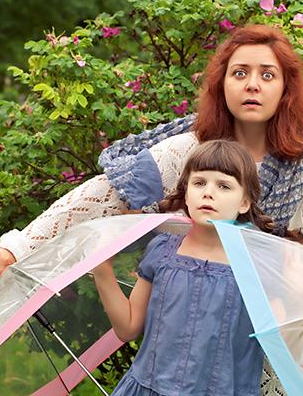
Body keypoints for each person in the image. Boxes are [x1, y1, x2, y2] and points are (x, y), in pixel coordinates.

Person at [0, 24, 303, 393]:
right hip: (182, 349)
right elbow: (98, 197)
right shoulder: (189, 151)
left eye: (268, 75)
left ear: (286, 89)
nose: (252, 85)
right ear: (222, 84)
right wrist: (21, 246)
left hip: (273, 348)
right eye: (239, 73)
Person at [93, 140, 276, 395]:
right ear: (186, 193)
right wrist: (102, 270)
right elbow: (128, 327)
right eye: (199, 183)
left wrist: (298, 292)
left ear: (244, 202)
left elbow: (283, 343)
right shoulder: (162, 250)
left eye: (223, 185)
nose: (208, 192)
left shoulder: (258, 267)